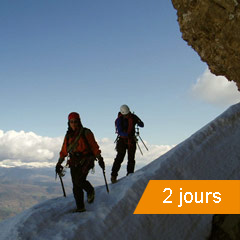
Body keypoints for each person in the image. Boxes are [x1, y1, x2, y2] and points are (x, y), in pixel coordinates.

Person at [56, 112, 105, 212]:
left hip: (86, 159)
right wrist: (59, 163)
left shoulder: (86, 132)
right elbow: (64, 150)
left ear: (79, 122)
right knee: (76, 185)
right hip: (74, 161)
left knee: (79, 181)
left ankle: (90, 190)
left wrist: (100, 158)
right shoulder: (68, 136)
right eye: (71, 122)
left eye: (75, 121)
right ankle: (80, 207)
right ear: (69, 123)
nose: (73, 124)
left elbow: (94, 146)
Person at [111, 105, 144, 183]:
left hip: (129, 140)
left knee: (130, 158)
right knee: (120, 158)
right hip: (124, 140)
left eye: (127, 114)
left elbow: (142, 125)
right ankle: (114, 175)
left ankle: (129, 174)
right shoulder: (120, 120)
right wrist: (128, 135)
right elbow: (120, 131)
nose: (127, 115)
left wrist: (138, 121)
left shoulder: (132, 117)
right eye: (125, 114)